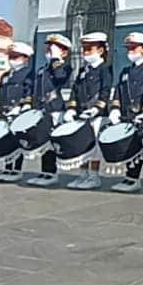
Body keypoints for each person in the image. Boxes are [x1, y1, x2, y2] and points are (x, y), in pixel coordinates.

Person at [63, 32, 113, 190]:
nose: (85, 52)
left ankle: (94, 176)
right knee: (81, 145)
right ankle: (83, 174)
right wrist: (71, 108)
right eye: (84, 49)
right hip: (81, 112)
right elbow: (75, 90)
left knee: (94, 147)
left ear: (100, 50)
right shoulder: (84, 70)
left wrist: (97, 108)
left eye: (89, 49)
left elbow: (105, 90)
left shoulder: (104, 69)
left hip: (96, 115)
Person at [110, 32, 143, 193]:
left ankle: (133, 178)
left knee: (135, 146)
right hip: (125, 113)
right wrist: (115, 108)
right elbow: (118, 90)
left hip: (138, 114)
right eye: (129, 48)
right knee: (125, 144)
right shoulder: (125, 71)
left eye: (134, 47)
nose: (130, 51)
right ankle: (127, 176)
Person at [24, 34, 73, 187]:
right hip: (41, 109)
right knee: (43, 142)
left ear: (64, 52)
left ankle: (52, 173)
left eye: (53, 48)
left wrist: (56, 60)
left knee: (51, 143)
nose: (48, 50)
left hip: (55, 109)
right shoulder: (42, 69)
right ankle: (45, 172)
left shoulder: (64, 66)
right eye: (48, 48)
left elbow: (60, 78)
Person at [0, 42, 35, 183]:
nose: (12, 60)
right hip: (4, 110)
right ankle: (7, 168)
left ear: (25, 58)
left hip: (18, 111)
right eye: (11, 56)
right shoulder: (6, 75)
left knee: (17, 141)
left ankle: (16, 169)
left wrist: (23, 105)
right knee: (6, 140)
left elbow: (29, 91)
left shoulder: (29, 73)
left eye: (16, 57)